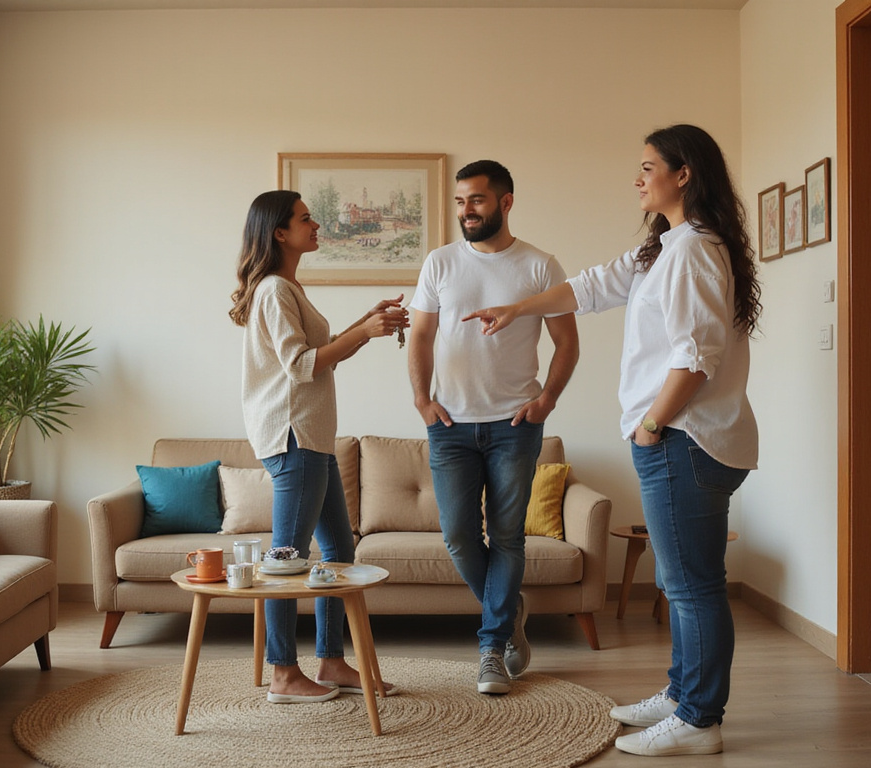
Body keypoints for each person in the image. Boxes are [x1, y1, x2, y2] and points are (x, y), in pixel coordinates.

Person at [463, 125, 760, 755]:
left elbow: (696, 356)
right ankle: (682, 694)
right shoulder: (666, 248)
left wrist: (652, 425)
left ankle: (700, 719)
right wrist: (519, 309)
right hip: (678, 439)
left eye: (648, 166)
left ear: (683, 175)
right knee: (686, 582)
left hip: (683, 438)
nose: (638, 178)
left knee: (691, 586)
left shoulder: (695, 250)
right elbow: (590, 286)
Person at [407, 160, 579, 695]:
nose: (466, 211)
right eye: (460, 202)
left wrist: (546, 400)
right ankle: (510, 606)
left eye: (477, 200)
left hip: (514, 424)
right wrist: (422, 401)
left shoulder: (540, 266)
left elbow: (568, 343)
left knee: (506, 537)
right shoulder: (440, 262)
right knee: (459, 537)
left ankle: (491, 647)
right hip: (450, 425)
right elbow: (420, 337)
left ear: (505, 202)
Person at [230, 189, 406, 703]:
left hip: (312, 440)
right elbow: (301, 366)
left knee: (339, 551)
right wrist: (365, 333)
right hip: (294, 438)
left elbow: (314, 353)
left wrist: (364, 325)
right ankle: (284, 673)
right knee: (286, 559)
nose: (317, 225)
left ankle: (330, 661)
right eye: (306, 219)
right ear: (279, 232)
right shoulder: (274, 291)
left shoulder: (288, 286)